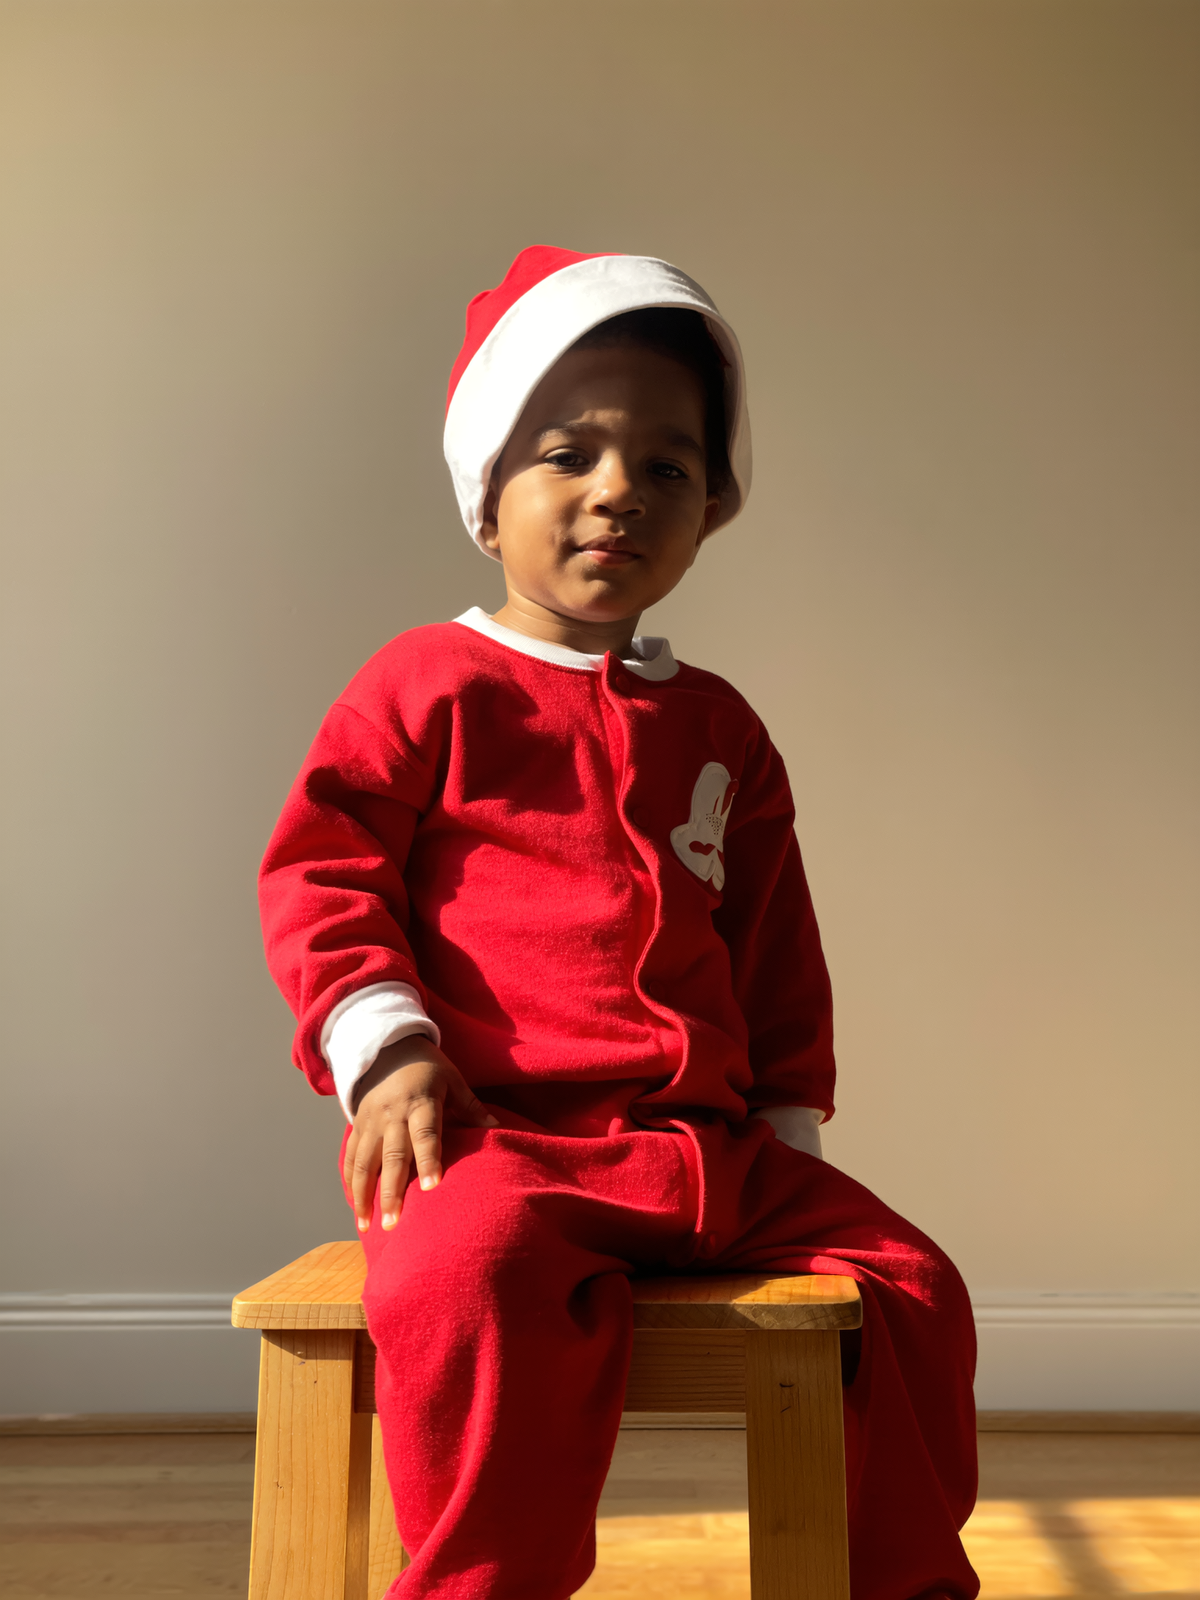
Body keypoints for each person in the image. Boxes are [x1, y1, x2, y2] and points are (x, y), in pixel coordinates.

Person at [259, 246, 979, 1600]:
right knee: (460, 1281)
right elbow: (324, 873)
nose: (618, 490)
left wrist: (785, 1121)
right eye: (568, 454)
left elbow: (774, 942)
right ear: (489, 496)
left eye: (666, 465)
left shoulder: (720, 728)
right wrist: (389, 1050)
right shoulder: (427, 685)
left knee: (914, 1285)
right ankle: (487, 1585)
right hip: (501, 1146)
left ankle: (900, 1584)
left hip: (709, 1155)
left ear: (710, 509)